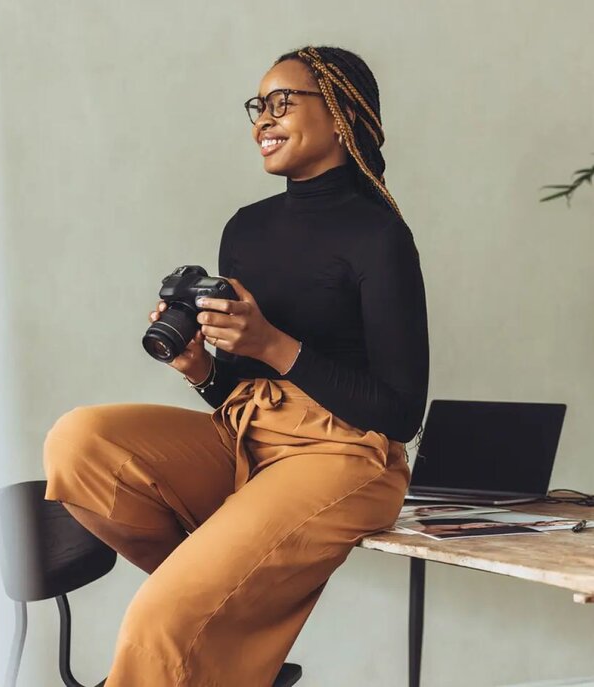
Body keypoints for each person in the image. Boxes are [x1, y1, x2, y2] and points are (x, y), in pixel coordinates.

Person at [42, 45, 430, 687]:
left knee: (160, 621)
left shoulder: (378, 235)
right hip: (245, 437)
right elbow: (241, 387)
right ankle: (227, 637)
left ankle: (211, 638)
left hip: (342, 455)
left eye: (283, 102)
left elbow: (399, 412)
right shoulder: (245, 229)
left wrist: (274, 343)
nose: (263, 121)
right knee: (80, 442)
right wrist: (201, 369)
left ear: (338, 116)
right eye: (258, 106)